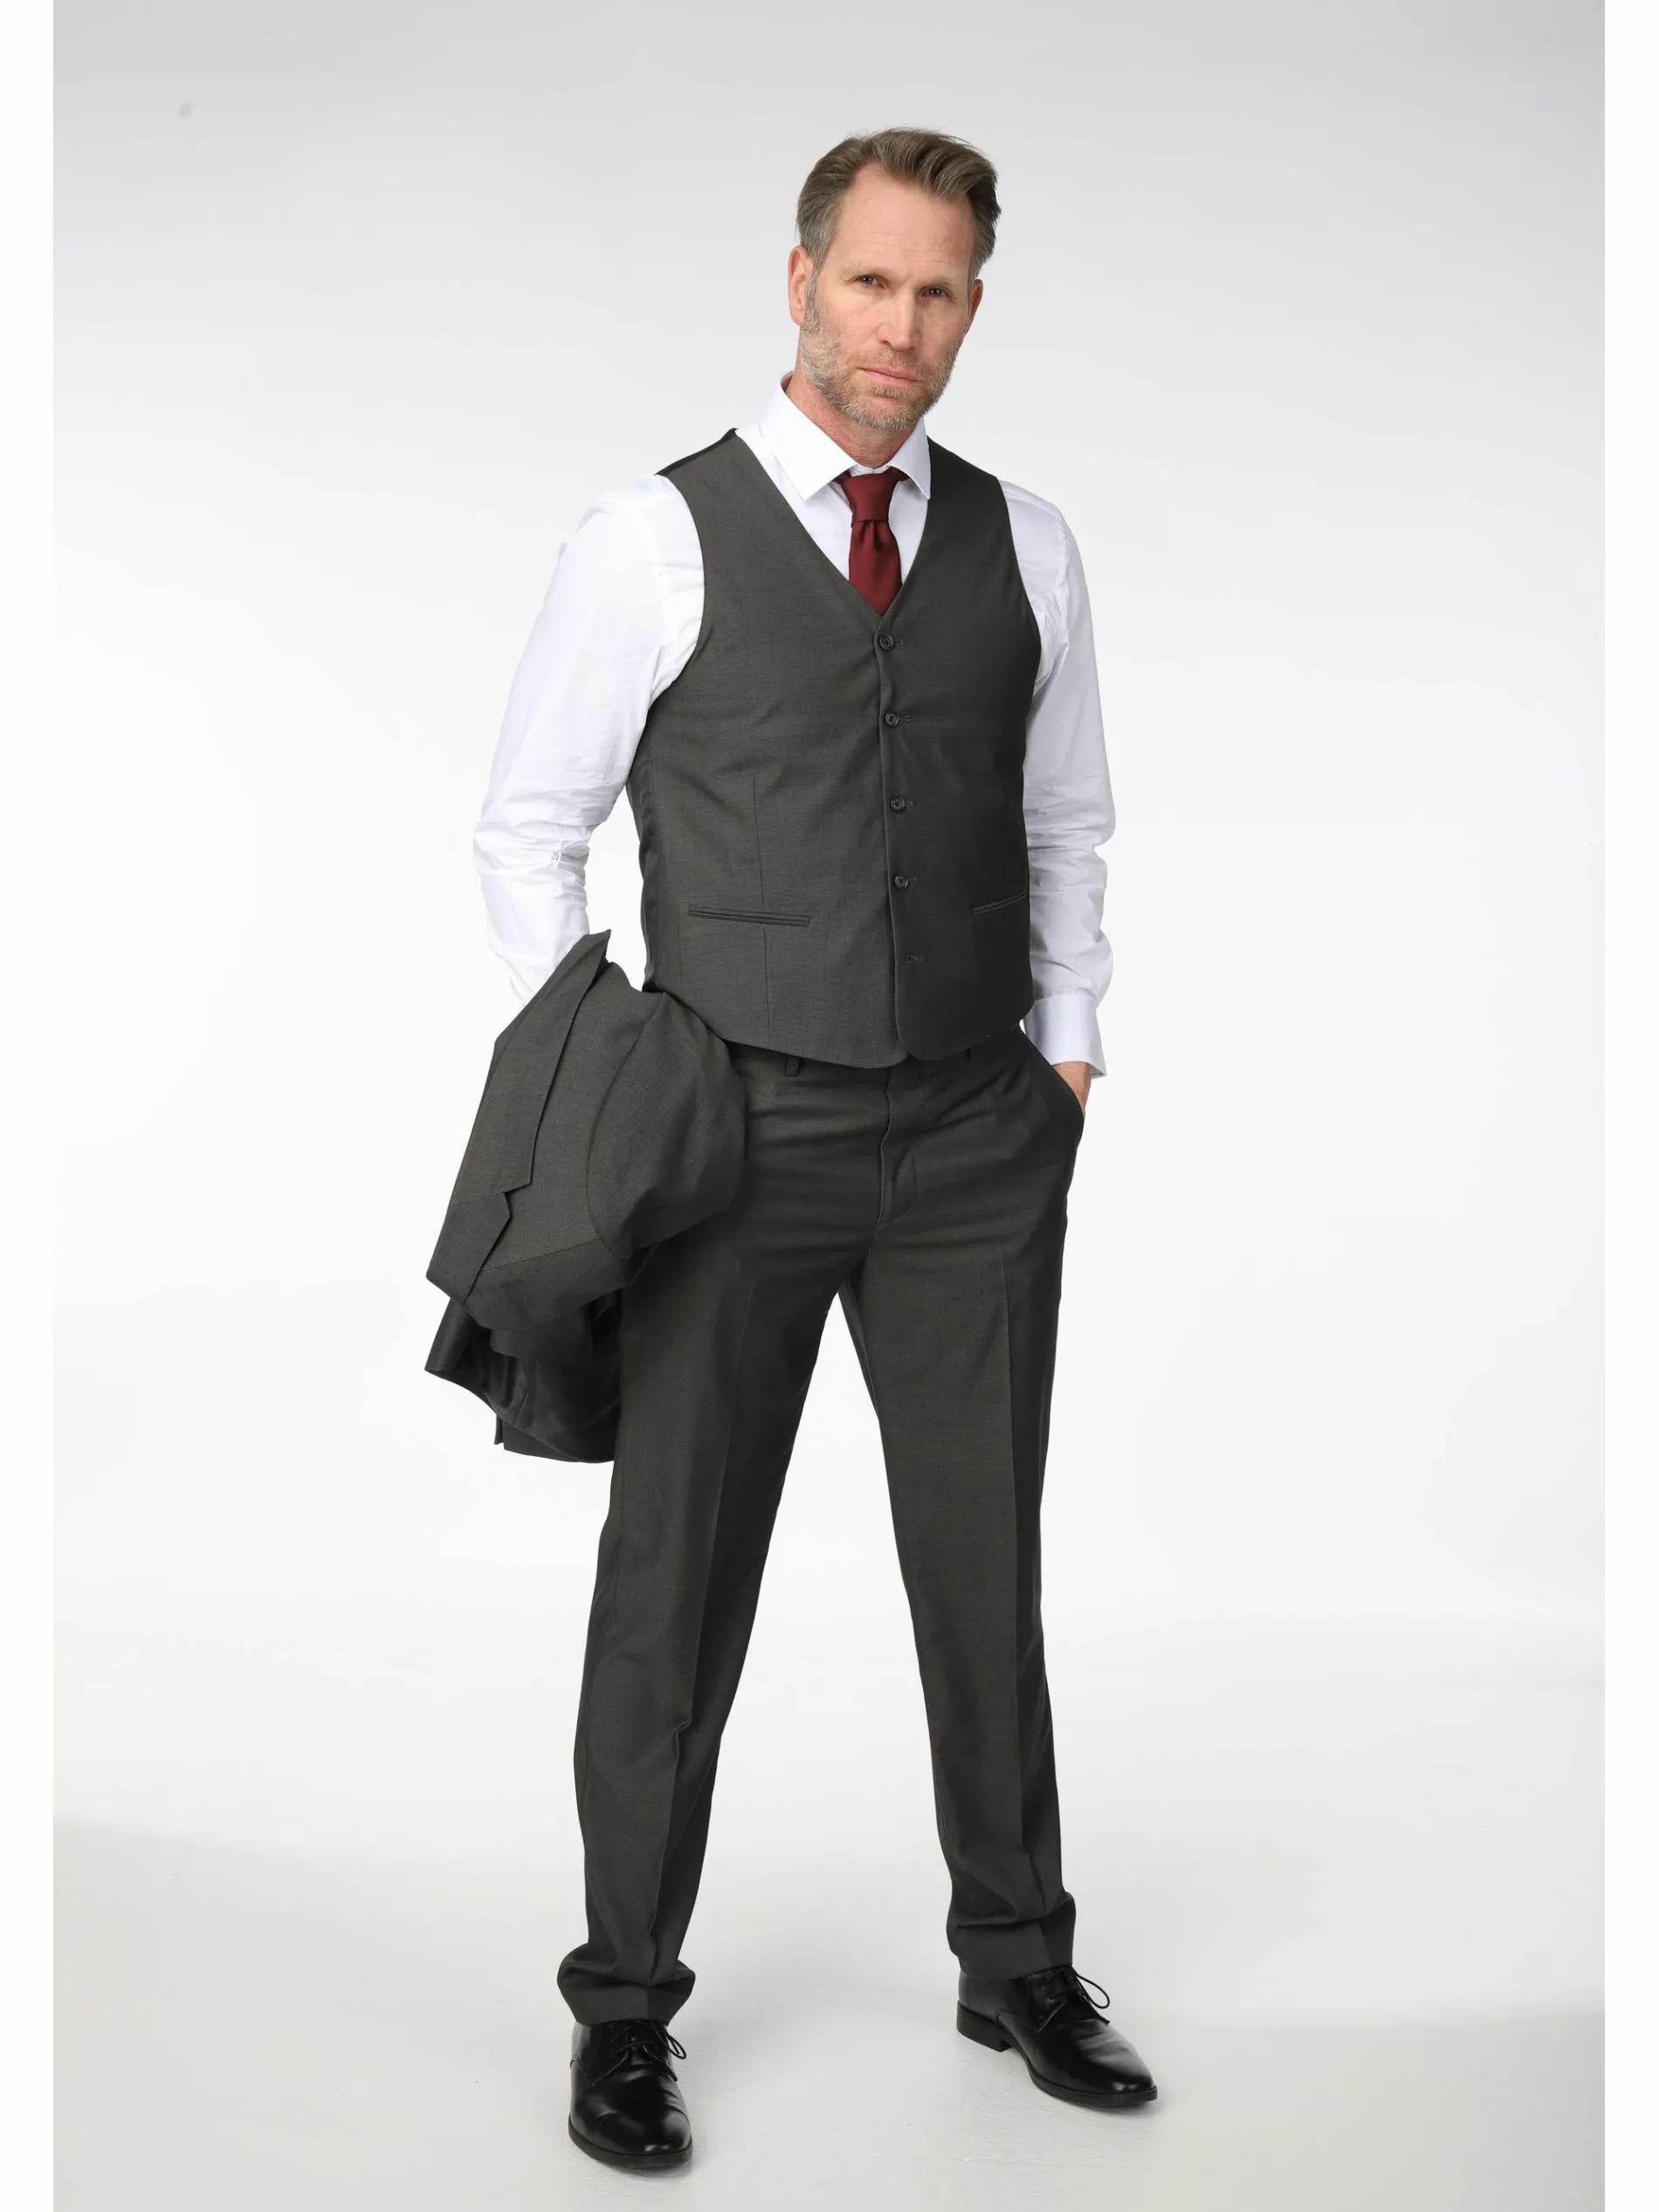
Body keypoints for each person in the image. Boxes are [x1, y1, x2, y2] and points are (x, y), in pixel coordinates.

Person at [472, 126, 1157, 2173]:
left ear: (970, 308)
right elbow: (526, 829)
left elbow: (1064, 818)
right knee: (674, 1580)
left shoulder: (1028, 545)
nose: (901, 328)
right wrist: (610, 1069)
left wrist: (1062, 1053)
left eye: (939, 292)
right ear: (799, 283)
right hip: (731, 1137)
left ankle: (1014, 1956)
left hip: (970, 1132)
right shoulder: (650, 538)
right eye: (871, 281)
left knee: (982, 1560)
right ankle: (621, 2007)